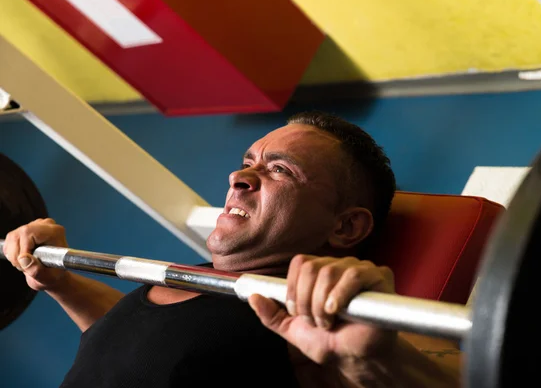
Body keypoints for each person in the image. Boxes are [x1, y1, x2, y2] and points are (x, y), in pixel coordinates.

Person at [3, 111, 461, 387]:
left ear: (345, 227)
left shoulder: (318, 317)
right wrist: (60, 282)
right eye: (248, 163)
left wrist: (375, 360)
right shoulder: (192, 279)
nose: (238, 178)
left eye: (281, 170)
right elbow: (134, 339)